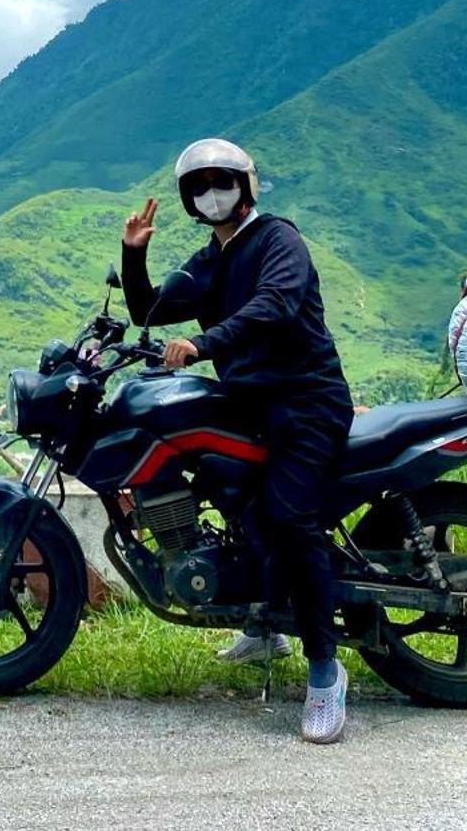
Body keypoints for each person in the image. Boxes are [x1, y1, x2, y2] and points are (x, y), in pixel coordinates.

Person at [118, 138, 355, 745]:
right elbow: (151, 310)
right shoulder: (209, 260)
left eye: (221, 181)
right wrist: (134, 254)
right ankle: (265, 620)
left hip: (306, 404)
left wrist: (202, 346)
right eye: (198, 187)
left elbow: (276, 306)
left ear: (246, 186)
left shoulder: (278, 240)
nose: (211, 193)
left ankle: (326, 673)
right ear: (188, 201)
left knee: (289, 517)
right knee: (224, 492)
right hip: (249, 405)